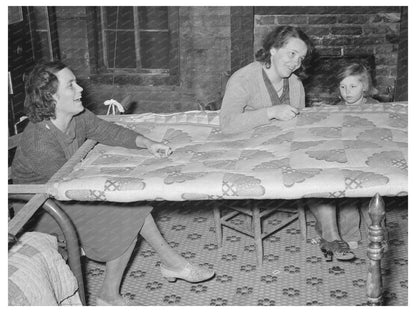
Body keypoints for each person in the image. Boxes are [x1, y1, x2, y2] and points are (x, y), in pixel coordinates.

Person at [11, 61, 215, 306]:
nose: (80, 90)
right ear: (50, 97)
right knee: (125, 212)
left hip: (63, 193)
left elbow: (109, 131)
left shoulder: (77, 118)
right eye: (71, 85)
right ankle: (162, 269)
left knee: (132, 207)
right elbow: (66, 186)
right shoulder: (39, 140)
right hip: (40, 210)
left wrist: (148, 143)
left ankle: (156, 271)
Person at [306, 63, 381, 261]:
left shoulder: (375, 107)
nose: (347, 92)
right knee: (347, 199)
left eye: (353, 87)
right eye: (342, 87)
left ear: (364, 86)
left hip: (369, 162)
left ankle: (381, 235)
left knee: (373, 202)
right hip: (346, 163)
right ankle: (350, 236)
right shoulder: (338, 108)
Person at [220, 25, 313, 134]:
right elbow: (227, 125)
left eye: (301, 58)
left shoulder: (295, 83)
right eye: (292, 54)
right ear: (273, 49)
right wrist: (271, 112)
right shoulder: (243, 79)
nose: (296, 63)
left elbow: (298, 122)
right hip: (247, 144)